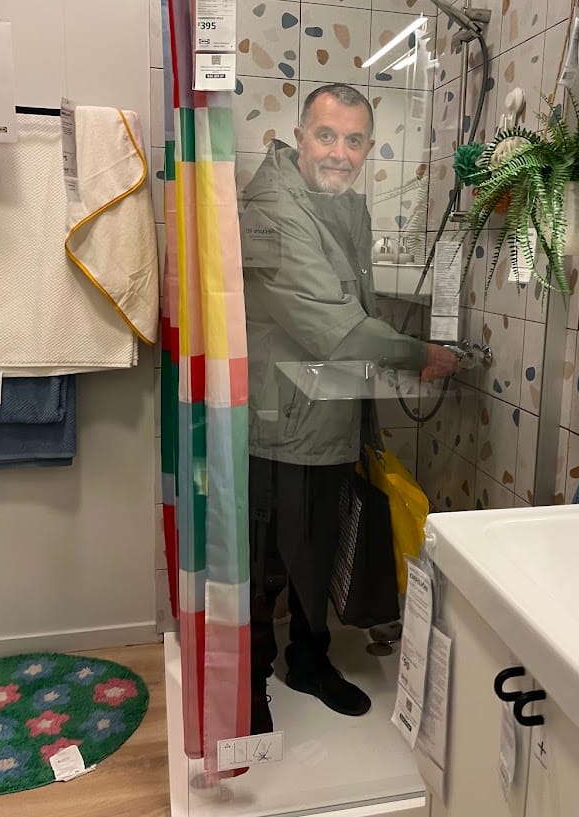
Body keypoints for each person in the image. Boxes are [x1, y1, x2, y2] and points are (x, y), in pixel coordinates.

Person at [239, 83, 458, 735]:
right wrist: (415, 352)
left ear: (368, 148)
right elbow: (329, 326)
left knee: (320, 549)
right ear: (299, 136)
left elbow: (352, 307)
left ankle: (309, 661)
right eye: (327, 135)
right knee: (266, 561)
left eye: (354, 140)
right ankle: (249, 680)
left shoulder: (347, 205)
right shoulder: (272, 206)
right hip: (280, 417)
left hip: (332, 410)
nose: (340, 152)